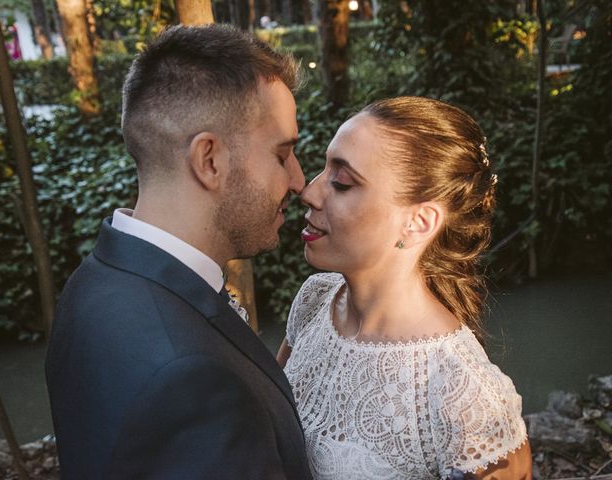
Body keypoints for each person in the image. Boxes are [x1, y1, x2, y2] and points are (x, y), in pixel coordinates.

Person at [45, 24, 312, 479]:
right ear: (209, 160)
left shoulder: (94, 281)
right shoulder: (191, 380)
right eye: (282, 154)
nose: (299, 180)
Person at [277, 97, 532, 479]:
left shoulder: (466, 395)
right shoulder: (315, 299)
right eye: (323, 169)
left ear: (418, 222)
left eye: (342, 183)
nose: (310, 192)